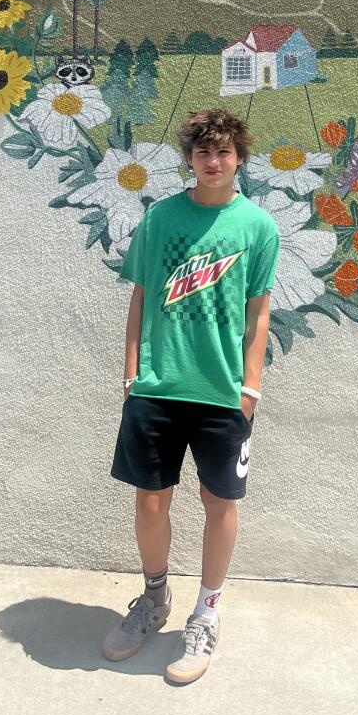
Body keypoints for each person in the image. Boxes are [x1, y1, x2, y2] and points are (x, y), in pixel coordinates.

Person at [102, 107, 280, 684]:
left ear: (239, 158)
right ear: (190, 158)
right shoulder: (160, 220)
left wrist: (249, 387)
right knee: (150, 503)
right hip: (157, 386)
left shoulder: (258, 228)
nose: (213, 161)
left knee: (219, 504)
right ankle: (154, 600)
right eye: (203, 152)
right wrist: (131, 373)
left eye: (223, 152)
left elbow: (259, 314)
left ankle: (206, 614)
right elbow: (140, 295)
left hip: (223, 393)